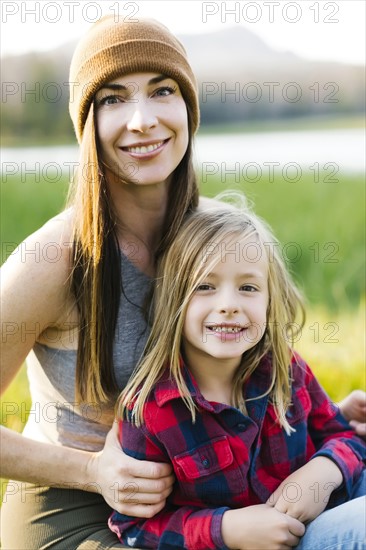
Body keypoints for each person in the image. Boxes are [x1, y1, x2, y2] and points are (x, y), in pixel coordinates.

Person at [0, 15, 364, 549]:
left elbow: (257, 361)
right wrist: (93, 472)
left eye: (162, 91)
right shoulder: (55, 257)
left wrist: (318, 421)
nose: (143, 119)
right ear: (86, 124)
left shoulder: (213, 234)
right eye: (114, 99)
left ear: (188, 110)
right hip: (79, 511)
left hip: (207, 501)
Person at [109, 206, 365, 550]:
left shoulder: (284, 368)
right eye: (205, 286)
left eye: (247, 287)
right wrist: (226, 528)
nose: (228, 304)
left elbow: (344, 437)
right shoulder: (151, 408)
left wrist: (323, 470)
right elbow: (135, 527)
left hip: (319, 518)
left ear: (269, 300)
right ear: (174, 301)